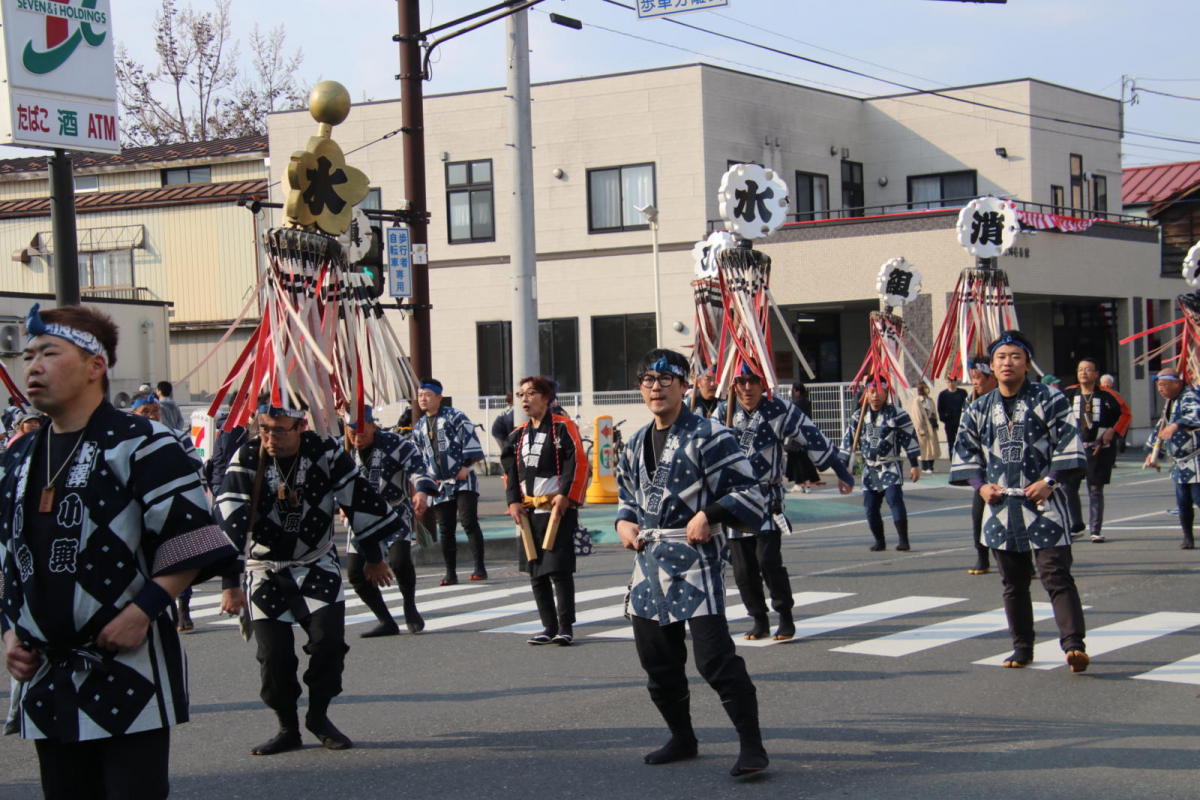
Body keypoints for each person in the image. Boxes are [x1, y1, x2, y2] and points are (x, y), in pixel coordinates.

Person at [1, 303, 236, 800]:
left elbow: (194, 536)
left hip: (128, 667)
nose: (32, 366)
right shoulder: (19, 455)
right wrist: (8, 634)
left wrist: (146, 608)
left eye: (48, 352)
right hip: (46, 674)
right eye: (27, 355)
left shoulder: (142, 442)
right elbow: (6, 557)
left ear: (95, 365)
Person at [614, 349, 769, 777]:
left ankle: (752, 746)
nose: (656, 387)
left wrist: (709, 514)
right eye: (647, 379)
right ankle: (682, 737)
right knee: (658, 663)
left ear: (685, 385)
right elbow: (628, 499)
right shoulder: (634, 442)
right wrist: (623, 523)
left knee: (715, 659)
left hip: (695, 559)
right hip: (648, 562)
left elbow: (748, 493)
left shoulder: (710, 435)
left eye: (667, 379)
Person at [215, 403, 402, 755]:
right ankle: (287, 726)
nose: (270, 438)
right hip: (264, 570)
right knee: (274, 657)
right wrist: (230, 583)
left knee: (329, 644)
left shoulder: (325, 450)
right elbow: (230, 517)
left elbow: (357, 499)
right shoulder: (249, 455)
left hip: (316, 563)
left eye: (280, 430)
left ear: (301, 425)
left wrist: (374, 558)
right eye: (264, 428)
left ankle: (318, 716)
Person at [951, 330, 1089, 672]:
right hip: (1000, 507)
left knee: (1055, 575)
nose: (1007, 362)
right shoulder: (979, 406)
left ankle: (1073, 646)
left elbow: (1070, 445)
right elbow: (966, 452)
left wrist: (1050, 481)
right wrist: (980, 486)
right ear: (992, 367)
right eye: (1000, 357)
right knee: (1013, 584)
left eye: (1015, 356)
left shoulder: (1050, 398)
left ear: (1027, 363)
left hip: (1044, 503)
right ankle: (1022, 647)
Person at [715, 368, 854, 640]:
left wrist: (841, 471)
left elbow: (811, 436)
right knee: (743, 570)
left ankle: (785, 614)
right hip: (733, 500)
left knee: (768, 561)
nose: (746, 388)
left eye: (753, 380)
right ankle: (758, 618)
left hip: (767, 498)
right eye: (740, 381)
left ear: (763, 382)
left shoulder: (779, 409)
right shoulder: (723, 412)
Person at [502, 377, 588, 645]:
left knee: (559, 570)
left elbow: (578, 461)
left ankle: (565, 626)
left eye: (532, 393)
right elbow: (510, 472)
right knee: (535, 571)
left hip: (557, 509)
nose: (525, 399)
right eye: (521, 394)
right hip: (528, 512)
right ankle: (547, 626)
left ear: (547, 397)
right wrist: (513, 501)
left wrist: (566, 495)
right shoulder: (517, 435)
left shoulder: (563, 427)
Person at [341, 405, 435, 637]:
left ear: (374, 425)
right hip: (361, 518)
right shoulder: (341, 450)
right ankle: (385, 620)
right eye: (351, 433)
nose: (356, 438)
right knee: (355, 573)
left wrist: (421, 492)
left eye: (362, 431)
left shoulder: (395, 443)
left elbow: (417, 467)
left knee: (400, 561)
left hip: (394, 513)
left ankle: (409, 605)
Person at [129, 394, 205, 632]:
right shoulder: (127, 439)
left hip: (174, 507)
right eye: (145, 411)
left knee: (177, 558)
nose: (152, 415)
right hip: (139, 512)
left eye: (155, 410)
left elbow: (196, 469)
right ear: (134, 414)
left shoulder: (177, 436)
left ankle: (183, 607)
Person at [411, 378, 488, 584]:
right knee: (445, 529)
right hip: (440, 484)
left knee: (468, 520)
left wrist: (465, 464)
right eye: (420, 395)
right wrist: (427, 480)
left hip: (464, 478)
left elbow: (471, 441)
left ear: (439, 397)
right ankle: (450, 572)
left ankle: (479, 567)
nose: (423, 399)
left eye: (428, 395)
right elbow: (418, 458)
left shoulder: (456, 416)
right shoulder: (418, 427)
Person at [840, 377, 921, 551]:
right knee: (870, 505)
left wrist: (914, 464)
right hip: (869, 467)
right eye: (872, 391)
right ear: (866, 393)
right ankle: (879, 540)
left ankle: (903, 539)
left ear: (886, 392)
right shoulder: (859, 416)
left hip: (890, 464)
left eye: (879, 391)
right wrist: (844, 467)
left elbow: (909, 438)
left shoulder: (897, 414)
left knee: (894, 499)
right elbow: (848, 441)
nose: (875, 395)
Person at [1061, 359, 1131, 544]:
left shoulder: (1108, 395)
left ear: (1096, 373)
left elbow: (1125, 414)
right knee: (1069, 487)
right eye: (1080, 369)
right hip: (1073, 448)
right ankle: (1076, 525)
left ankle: (1096, 529)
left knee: (1095, 488)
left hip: (1099, 448)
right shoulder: (1067, 393)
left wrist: (1112, 431)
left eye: (1088, 370)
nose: (1084, 373)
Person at [1143, 370, 1200, 549]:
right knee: (1183, 503)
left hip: (1196, 459)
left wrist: (1176, 425)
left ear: (1177, 383)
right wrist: (1153, 452)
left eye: (1163, 385)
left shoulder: (1189, 396)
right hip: (1180, 463)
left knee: (1199, 499)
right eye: (1158, 385)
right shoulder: (1170, 403)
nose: (1160, 389)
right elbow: (1161, 427)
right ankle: (1188, 537)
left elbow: (1196, 414)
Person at [964, 361, 999, 575]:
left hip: (1009, 467)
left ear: (992, 377)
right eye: (973, 378)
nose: (974, 382)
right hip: (984, 470)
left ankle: (1024, 559)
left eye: (978, 377)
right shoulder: (971, 401)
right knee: (978, 515)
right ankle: (982, 556)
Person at [785, 382, 822, 491]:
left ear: (796, 391)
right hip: (806, 433)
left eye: (793, 390)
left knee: (796, 460)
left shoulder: (795, 403)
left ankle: (799, 484)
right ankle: (807, 484)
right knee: (805, 459)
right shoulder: (806, 402)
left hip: (795, 435)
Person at [907, 382, 941, 473]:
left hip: (931, 426)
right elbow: (917, 416)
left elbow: (934, 411)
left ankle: (931, 466)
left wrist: (935, 421)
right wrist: (920, 428)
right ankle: (925, 467)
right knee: (924, 447)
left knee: (932, 447)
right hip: (923, 427)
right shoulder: (917, 401)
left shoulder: (930, 400)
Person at [1100, 374, 1131, 453]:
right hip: (1101, 422)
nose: (1106, 385)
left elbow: (1123, 410)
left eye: (1108, 383)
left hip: (1113, 423)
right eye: (1104, 382)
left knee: (1112, 442)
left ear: (1112, 384)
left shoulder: (1116, 395)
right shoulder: (1097, 393)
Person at [937, 377, 968, 454]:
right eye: (948, 382)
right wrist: (945, 417)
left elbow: (967, 406)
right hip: (949, 423)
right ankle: (952, 459)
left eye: (952, 382)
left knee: (962, 441)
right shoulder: (943, 395)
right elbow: (940, 409)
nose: (950, 384)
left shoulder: (962, 393)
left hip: (961, 422)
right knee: (951, 443)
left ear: (956, 382)